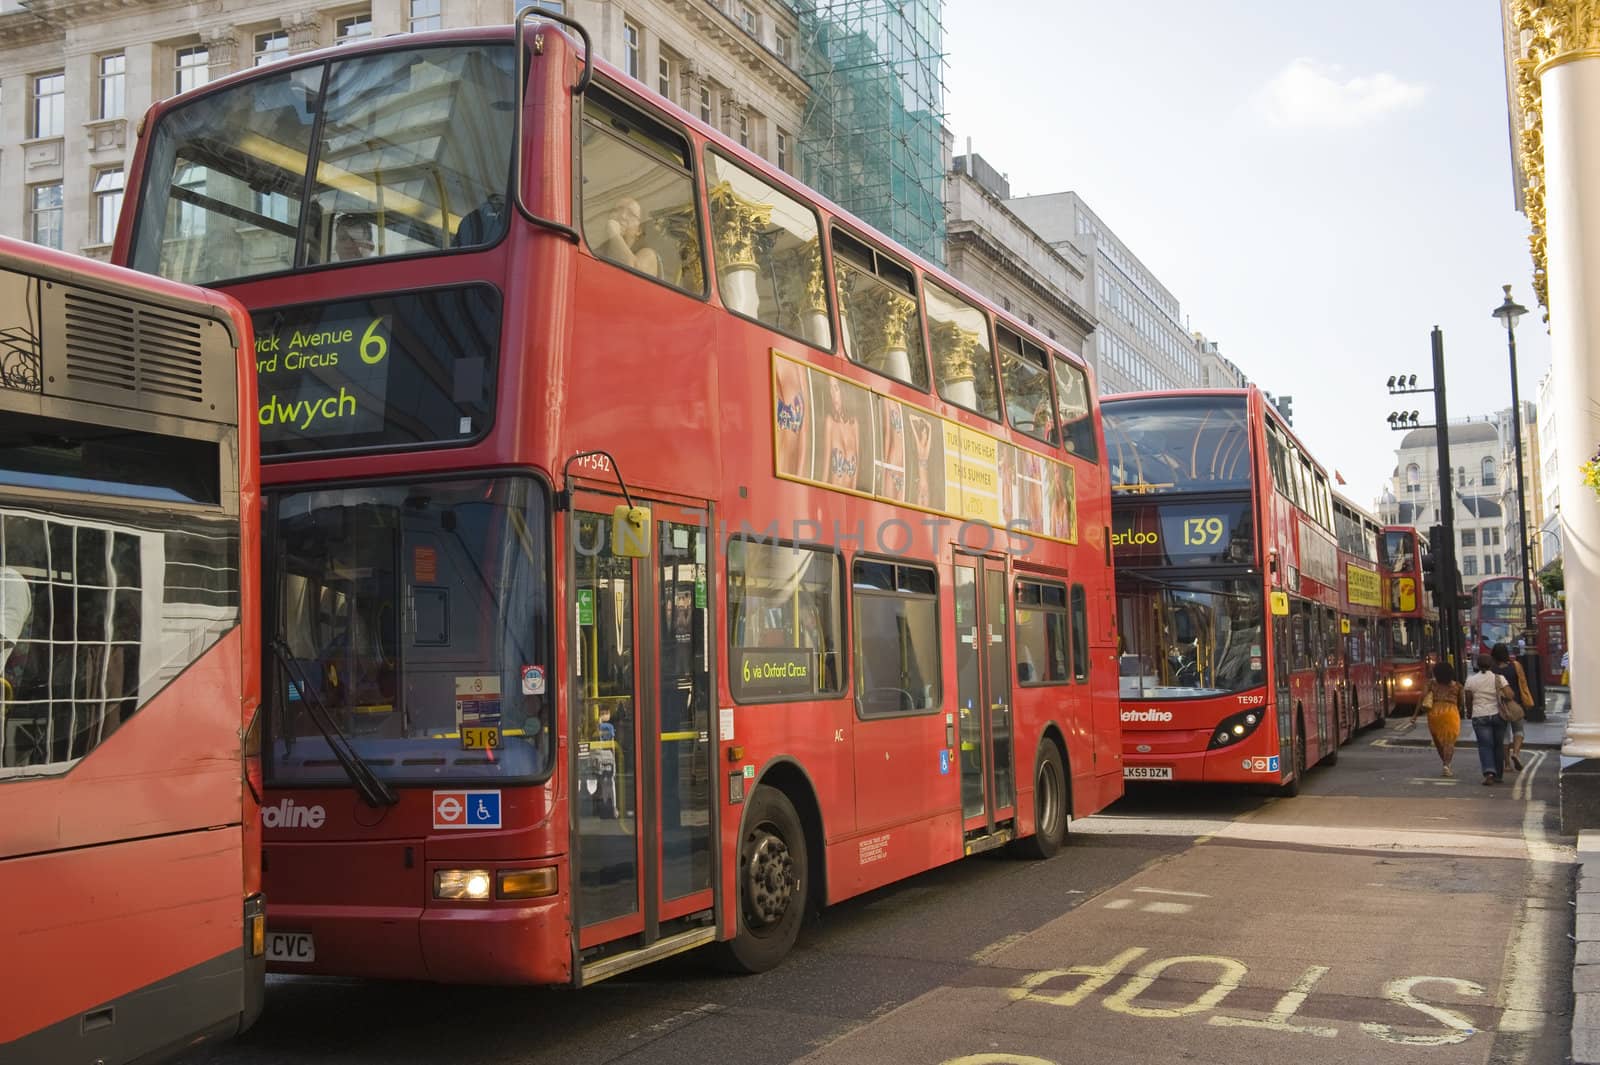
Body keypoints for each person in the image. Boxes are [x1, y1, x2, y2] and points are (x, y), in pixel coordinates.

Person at [1463, 653, 1516, 785]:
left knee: (1485, 746)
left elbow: (1468, 700)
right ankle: (1498, 775)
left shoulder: (1471, 680)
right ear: (1492, 664)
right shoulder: (1499, 678)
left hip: (1479, 715)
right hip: (1498, 715)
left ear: (1477, 665)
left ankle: (1489, 772)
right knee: (1498, 745)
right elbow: (1510, 695)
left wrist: (1469, 713)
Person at [1408, 662, 1463, 777]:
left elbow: (1422, 698)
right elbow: (1461, 703)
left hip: (1434, 713)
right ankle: (1446, 765)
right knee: (1449, 742)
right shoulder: (1458, 686)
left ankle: (1444, 762)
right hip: (1451, 712)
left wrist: (1415, 715)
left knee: (1438, 741)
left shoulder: (1430, 684)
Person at [1491, 642, 1533, 771]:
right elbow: (1523, 683)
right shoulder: (1515, 666)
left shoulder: (1492, 669)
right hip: (1516, 703)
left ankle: (1507, 764)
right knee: (1518, 730)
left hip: (1499, 706)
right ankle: (1515, 753)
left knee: (1504, 735)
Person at [598, 197, 661, 277]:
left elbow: (634, 274)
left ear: (639, 230)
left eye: (631, 214)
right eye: (618, 210)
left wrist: (615, 234)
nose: (623, 216)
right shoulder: (596, 251)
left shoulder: (648, 255)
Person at [823, 377, 860, 491]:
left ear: (843, 390)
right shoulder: (830, 422)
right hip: (832, 496)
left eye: (836, 388)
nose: (833, 395)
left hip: (850, 498)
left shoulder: (854, 424)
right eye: (830, 389)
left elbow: (856, 468)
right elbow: (826, 467)